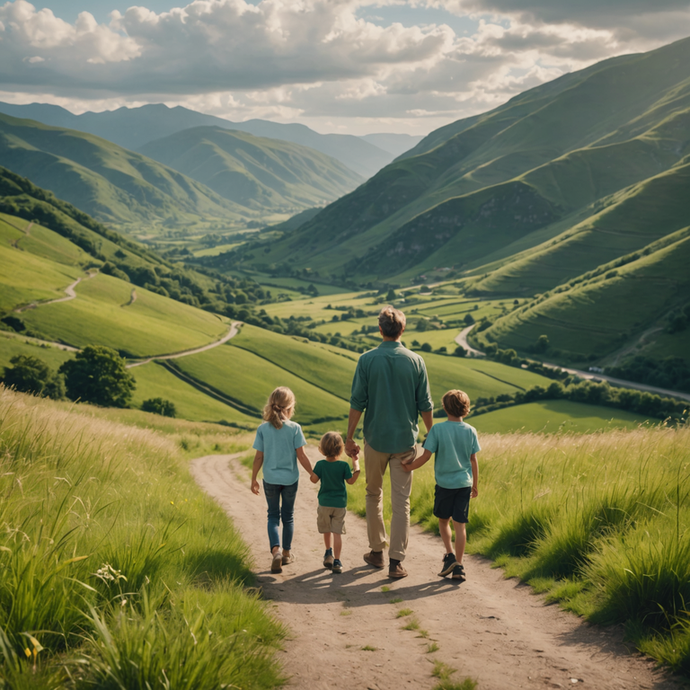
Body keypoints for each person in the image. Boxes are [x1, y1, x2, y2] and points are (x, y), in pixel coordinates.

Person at [346, 305, 433, 579]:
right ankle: (397, 562)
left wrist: (349, 436)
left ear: (380, 329)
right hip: (405, 442)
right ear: (402, 330)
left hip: (375, 439)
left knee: (373, 495)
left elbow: (358, 402)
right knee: (402, 502)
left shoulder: (367, 360)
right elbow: (425, 404)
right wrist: (433, 434)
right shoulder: (416, 361)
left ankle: (377, 553)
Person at [402, 389, 479, 582]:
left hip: (444, 485)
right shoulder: (471, 431)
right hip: (464, 484)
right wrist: (475, 485)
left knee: (444, 521)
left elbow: (426, 456)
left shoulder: (437, 430)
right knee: (460, 526)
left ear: (444, 407)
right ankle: (459, 566)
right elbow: (473, 460)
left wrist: (409, 467)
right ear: (466, 408)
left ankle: (449, 554)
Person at [251, 386, 314, 574]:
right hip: (290, 480)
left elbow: (258, 458)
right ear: (290, 407)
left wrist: (254, 478)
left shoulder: (263, 429)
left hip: (270, 478)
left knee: (272, 515)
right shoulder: (295, 428)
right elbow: (301, 456)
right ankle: (286, 553)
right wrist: (312, 472)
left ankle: (275, 551)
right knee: (288, 516)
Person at [311, 431, 361, 574]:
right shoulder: (344, 466)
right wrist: (355, 462)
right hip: (339, 505)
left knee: (326, 530)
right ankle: (337, 562)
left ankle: (328, 553)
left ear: (322, 449)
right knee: (337, 533)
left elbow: (313, 480)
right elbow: (351, 481)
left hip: (324, 504)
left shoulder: (320, 465)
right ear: (340, 449)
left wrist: (313, 472)